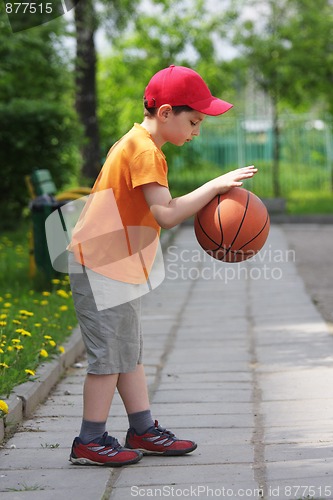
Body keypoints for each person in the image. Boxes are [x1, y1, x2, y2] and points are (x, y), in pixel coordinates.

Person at [68, 65, 257, 466]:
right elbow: (166, 214)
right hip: (103, 265)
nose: (196, 131)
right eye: (194, 121)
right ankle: (90, 439)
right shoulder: (144, 151)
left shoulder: (141, 145)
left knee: (128, 353)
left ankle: (142, 429)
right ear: (167, 112)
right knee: (108, 359)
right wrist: (215, 186)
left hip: (117, 264)